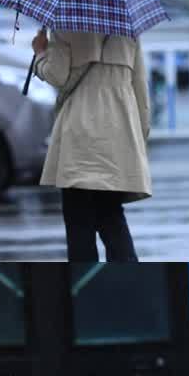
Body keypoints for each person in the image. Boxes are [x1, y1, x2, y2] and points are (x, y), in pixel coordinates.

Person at [32, 27, 151, 261]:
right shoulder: (128, 29)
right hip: (119, 132)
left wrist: (40, 54)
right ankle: (126, 282)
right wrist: (140, 137)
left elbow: (57, 76)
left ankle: (82, 283)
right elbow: (140, 88)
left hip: (79, 134)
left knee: (79, 223)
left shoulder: (65, 27)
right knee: (112, 216)